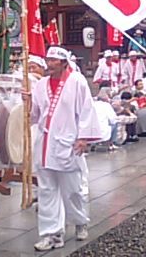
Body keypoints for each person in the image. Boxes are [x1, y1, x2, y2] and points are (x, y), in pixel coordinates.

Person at [27, 46, 101, 251]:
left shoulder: (77, 81)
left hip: (68, 143)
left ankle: (79, 221)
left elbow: (86, 110)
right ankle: (52, 233)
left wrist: (83, 137)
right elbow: (34, 116)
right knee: (46, 191)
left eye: (53, 61)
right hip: (45, 144)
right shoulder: (40, 85)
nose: (49, 64)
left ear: (64, 63)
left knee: (72, 190)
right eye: (47, 60)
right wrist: (28, 103)